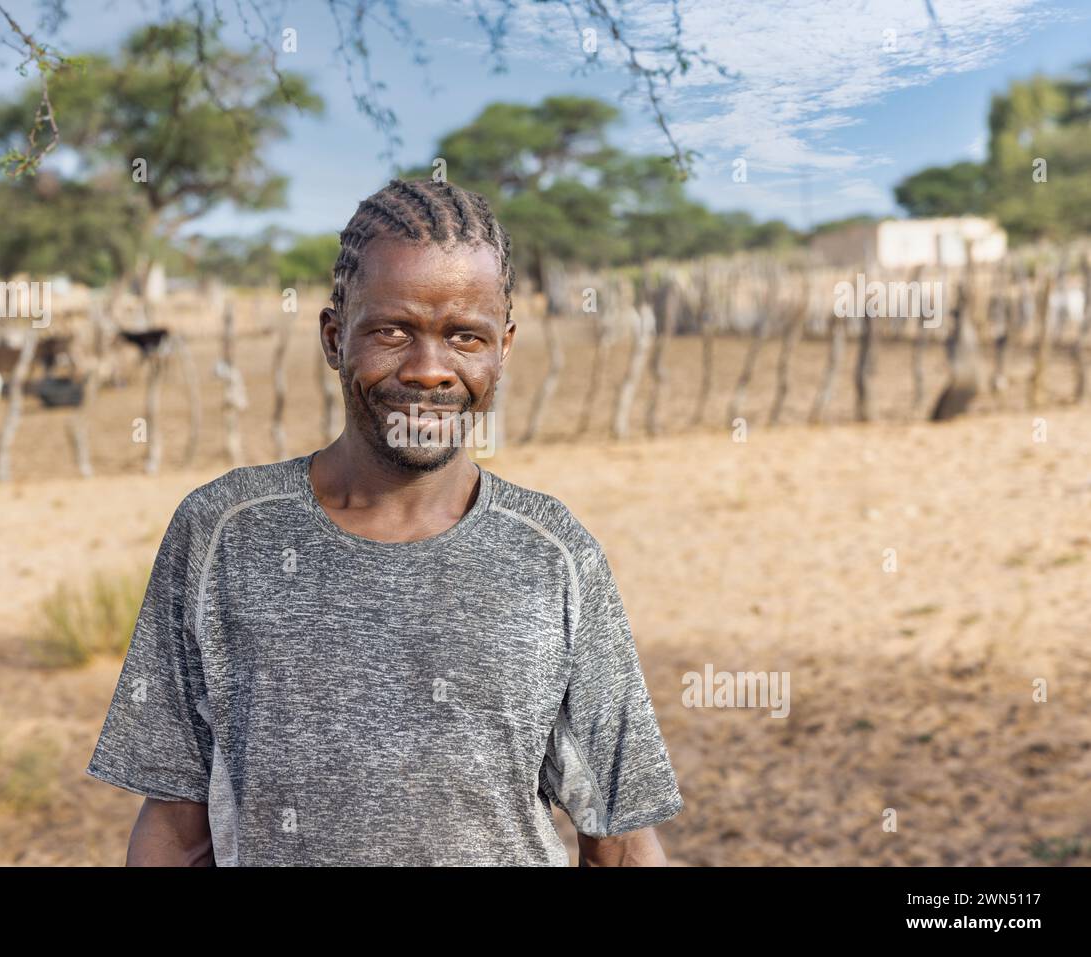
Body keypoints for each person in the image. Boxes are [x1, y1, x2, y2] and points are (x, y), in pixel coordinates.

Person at [86, 178, 683, 866]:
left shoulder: (554, 554)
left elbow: (622, 836)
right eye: (393, 331)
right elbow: (175, 829)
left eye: (465, 336)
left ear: (504, 348)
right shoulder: (224, 533)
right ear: (335, 336)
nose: (430, 370)